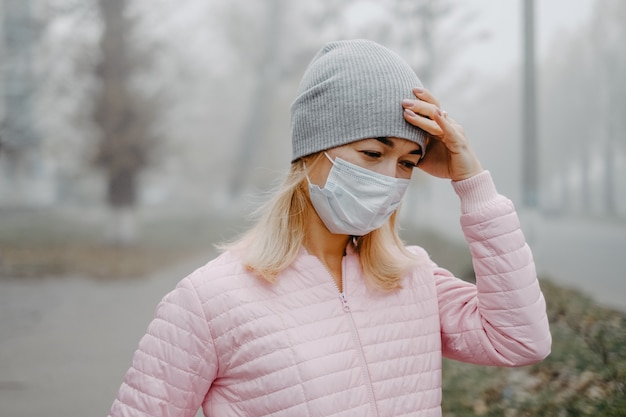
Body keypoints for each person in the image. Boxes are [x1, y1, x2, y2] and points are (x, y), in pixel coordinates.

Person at [108, 39, 551, 417]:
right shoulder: (209, 301)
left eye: (407, 163)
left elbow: (520, 340)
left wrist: (471, 183)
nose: (389, 178)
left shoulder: (413, 278)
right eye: (372, 153)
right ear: (313, 150)